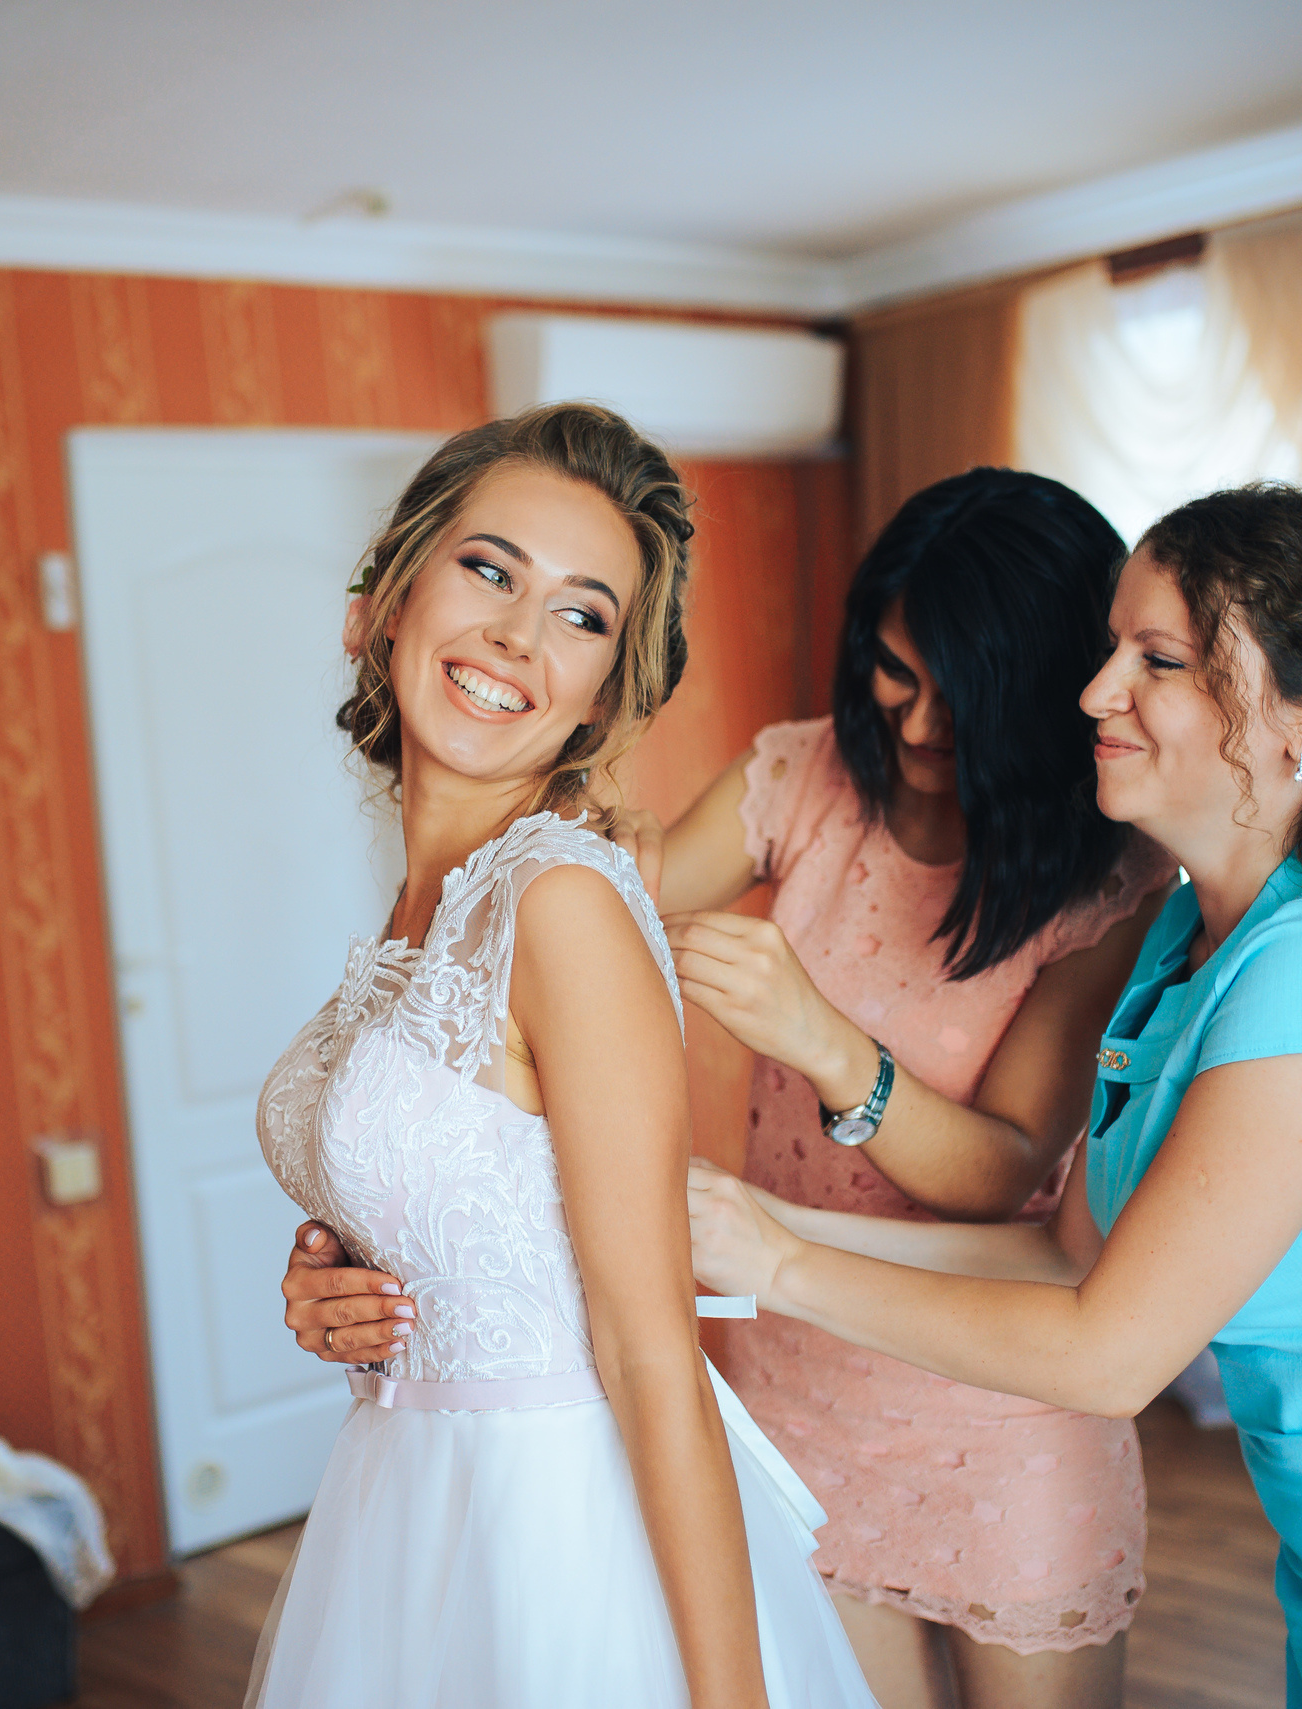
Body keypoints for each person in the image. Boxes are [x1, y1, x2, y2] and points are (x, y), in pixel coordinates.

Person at [688, 485, 1302, 1706]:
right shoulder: (1184, 934)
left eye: (1155, 659)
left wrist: (779, 1269)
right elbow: (1065, 1257)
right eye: (1112, 648)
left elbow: (1107, 1352)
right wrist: (752, 1224)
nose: (1095, 690)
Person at [290, 468, 1174, 1709]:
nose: (917, 727)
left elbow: (1014, 1163)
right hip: (792, 1375)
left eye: (961, 698)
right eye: (893, 671)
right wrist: (400, 1206)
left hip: (996, 1396)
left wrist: (825, 1042)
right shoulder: (806, 780)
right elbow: (583, 918)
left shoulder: (1112, 880)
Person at [249, 402, 875, 1709]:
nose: (517, 639)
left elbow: (654, 1358)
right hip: (407, 1502)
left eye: (582, 616)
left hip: (556, 1537)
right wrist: (344, 1296)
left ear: (605, 692)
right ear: (388, 594)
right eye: (490, 569)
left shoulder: (559, 906)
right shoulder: (426, 910)